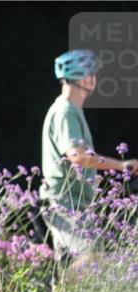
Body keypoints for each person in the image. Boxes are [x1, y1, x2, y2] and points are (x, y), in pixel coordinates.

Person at [40, 50, 138, 265]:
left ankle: (63, 289)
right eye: (91, 73)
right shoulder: (65, 111)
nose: (94, 78)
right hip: (64, 203)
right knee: (92, 256)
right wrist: (121, 165)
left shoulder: (73, 110)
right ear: (78, 77)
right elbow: (77, 156)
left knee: (73, 268)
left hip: (74, 203)